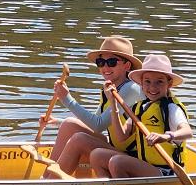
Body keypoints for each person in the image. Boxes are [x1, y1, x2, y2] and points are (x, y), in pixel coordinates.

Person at [42, 36, 144, 176]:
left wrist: (66, 98)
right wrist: (57, 123)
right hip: (117, 149)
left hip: (132, 159)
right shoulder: (110, 88)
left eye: (112, 62)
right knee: (69, 124)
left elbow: (98, 125)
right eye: (101, 62)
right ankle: (45, 178)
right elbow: (95, 123)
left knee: (79, 139)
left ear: (127, 66)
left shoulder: (130, 89)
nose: (105, 67)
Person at [90, 53, 193, 178]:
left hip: (167, 171)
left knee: (117, 163)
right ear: (141, 84)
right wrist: (113, 103)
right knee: (97, 155)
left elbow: (187, 132)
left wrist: (166, 136)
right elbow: (121, 136)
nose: (152, 87)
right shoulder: (140, 108)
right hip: (146, 165)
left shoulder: (171, 108)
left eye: (159, 82)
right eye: (147, 82)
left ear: (169, 84)